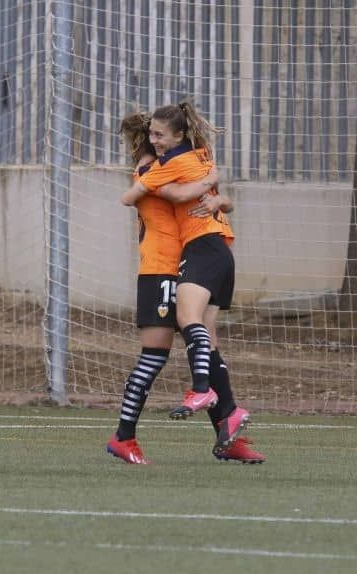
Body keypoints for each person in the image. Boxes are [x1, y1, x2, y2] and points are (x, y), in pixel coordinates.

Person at [111, 110, 264, 464]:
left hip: (181, 264)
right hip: (159, 271)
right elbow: (180, 195)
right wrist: (211, 176)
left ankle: (228, 431)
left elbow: (215, 200)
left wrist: (217, 192)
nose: (156, 143)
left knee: (207, 345)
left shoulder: (175, 164)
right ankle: (124, 436)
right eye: (152, 137)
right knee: (155, 355)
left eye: (160, 136)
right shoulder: (150, 171)